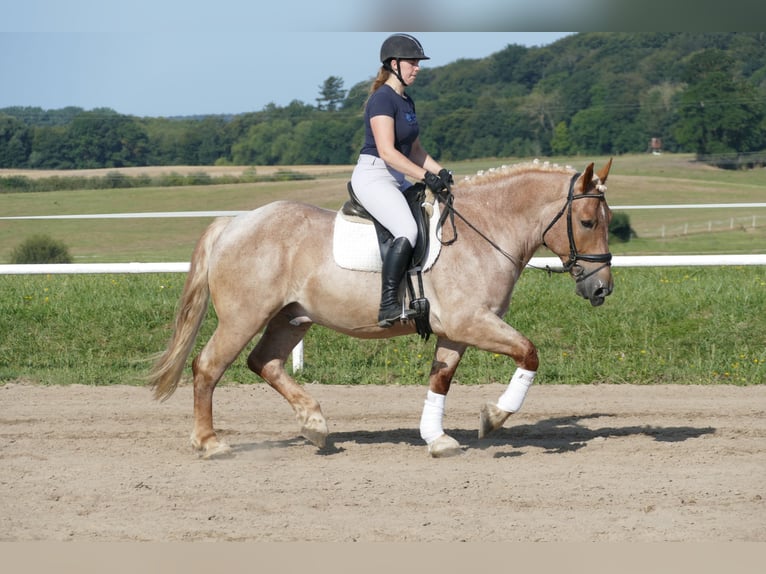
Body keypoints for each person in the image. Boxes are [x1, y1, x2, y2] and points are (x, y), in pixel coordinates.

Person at [350, 33, 453, 328]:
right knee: (407, 229)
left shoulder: (406, 100)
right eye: (412, 62)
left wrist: (443, 173)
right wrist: (425, 177)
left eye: (418, 63)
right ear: (394, 64)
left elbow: (416, 151)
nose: (417, 68)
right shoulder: (382, 99)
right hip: (374, 175)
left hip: (397, 175)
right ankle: (388, 305)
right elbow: (387, 151)